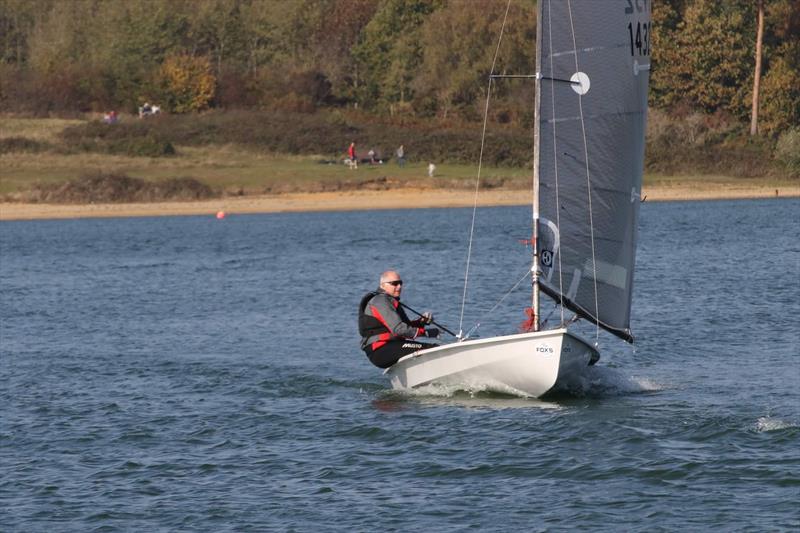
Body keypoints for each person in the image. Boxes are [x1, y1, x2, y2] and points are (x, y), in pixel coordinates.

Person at [358, 270, 439, 368]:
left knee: (428, 348)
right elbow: (400, 329)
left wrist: (421, 322)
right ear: (383, 285)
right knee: (432, 349)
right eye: (395, 284)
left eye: (400, 283)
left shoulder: (389, 301)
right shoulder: (380, 301)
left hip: (391, 346)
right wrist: (426, 333)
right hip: (380, 349)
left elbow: (405, 326)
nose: (399, 287)